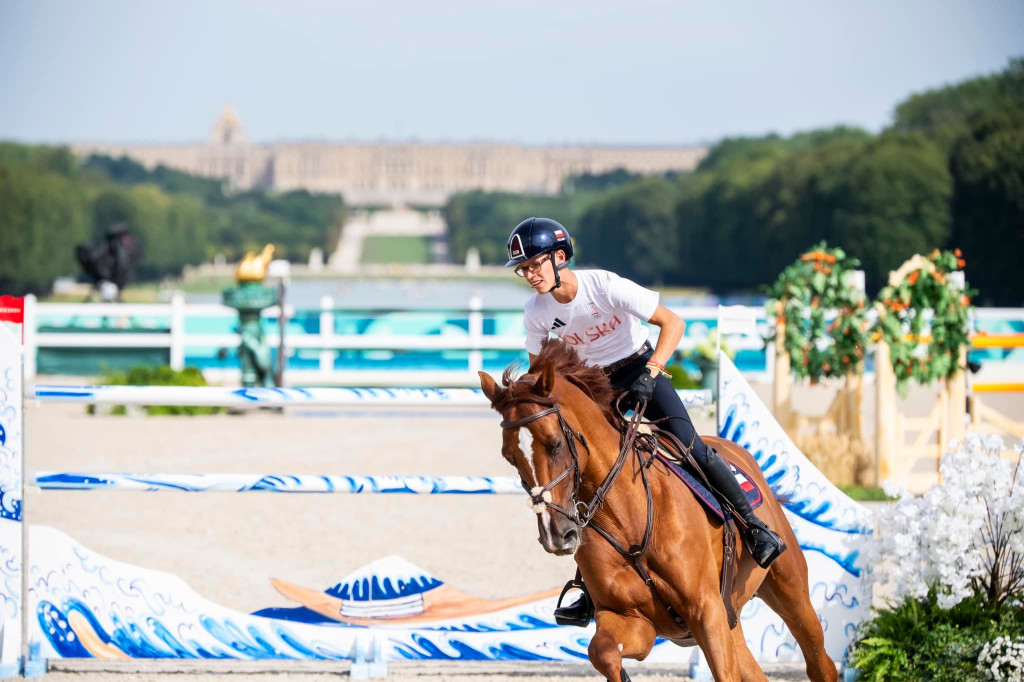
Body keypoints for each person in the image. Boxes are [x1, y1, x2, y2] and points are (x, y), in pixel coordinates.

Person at [505, 217, 786, 625]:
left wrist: (651, 373)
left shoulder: (606, 286)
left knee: (690, 446)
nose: (529, 275)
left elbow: (674, 323)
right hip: (594, 389)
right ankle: (587, 585)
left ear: (559, 258)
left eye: (534, 265)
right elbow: (542, 376)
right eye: (524, 269)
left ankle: (755, 527)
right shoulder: (536, 312)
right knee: (585, 474)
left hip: (641, 369)